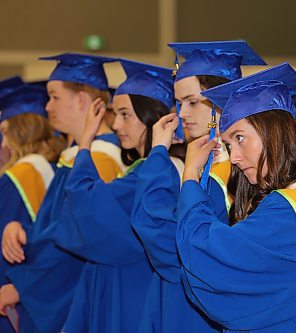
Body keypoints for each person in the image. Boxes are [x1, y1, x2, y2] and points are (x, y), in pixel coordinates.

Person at [176, 63, 296, 332]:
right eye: (229, 145)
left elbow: (209, 258)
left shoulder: (291, 209)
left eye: (241, 138)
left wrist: (190, 178)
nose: (236, 158)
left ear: (274, 132)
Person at [131, 40, 266, 332]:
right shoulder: (209, 165)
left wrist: (157, 155)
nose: (181, 114)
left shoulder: (225, 173)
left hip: (196, 314)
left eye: (192, 102)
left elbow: (167, 247)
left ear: (222, 102)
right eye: (179, 103)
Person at [50, 59, 179, 333]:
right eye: (115, 114)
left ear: (150, 117)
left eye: (125, 115)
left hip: (133, 291)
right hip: (126, 285)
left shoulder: (156, 173)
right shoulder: (145, 170)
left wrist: (86, 141)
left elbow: (87, 202)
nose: (116, 124)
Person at [0, 53, 125, 333]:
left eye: (54, 97)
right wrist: (18, 226)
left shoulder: (101, 162)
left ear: (81, 100)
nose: (47, 107)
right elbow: (56, 226)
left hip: (75, 303)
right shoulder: (75, 158)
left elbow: (76, 241)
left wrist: (24, 285)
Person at [0, 83, 64, 333]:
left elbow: (7, 248)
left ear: (21, 132)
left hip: (13, 293)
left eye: (5, 132)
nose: (3, 143)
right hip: (44, 289)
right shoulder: (54, 168)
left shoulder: (15, 179)